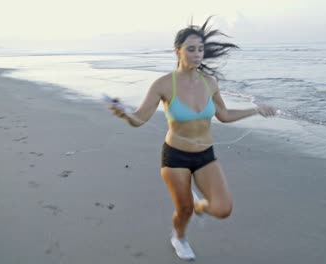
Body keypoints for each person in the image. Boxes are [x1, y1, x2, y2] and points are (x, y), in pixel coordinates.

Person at [109, 17, 276, 260]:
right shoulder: (164, 84)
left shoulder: (210, 82)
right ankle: (179, 237)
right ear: (178, 51)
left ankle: (200, 205)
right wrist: (124, 114)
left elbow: (225, 115)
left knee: (222, 208)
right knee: (184, 209)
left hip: (206, 156)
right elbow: (139, 119)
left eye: (200, 49)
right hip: (175, 156)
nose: (197, 54)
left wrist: (256, 110)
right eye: (191, 49)